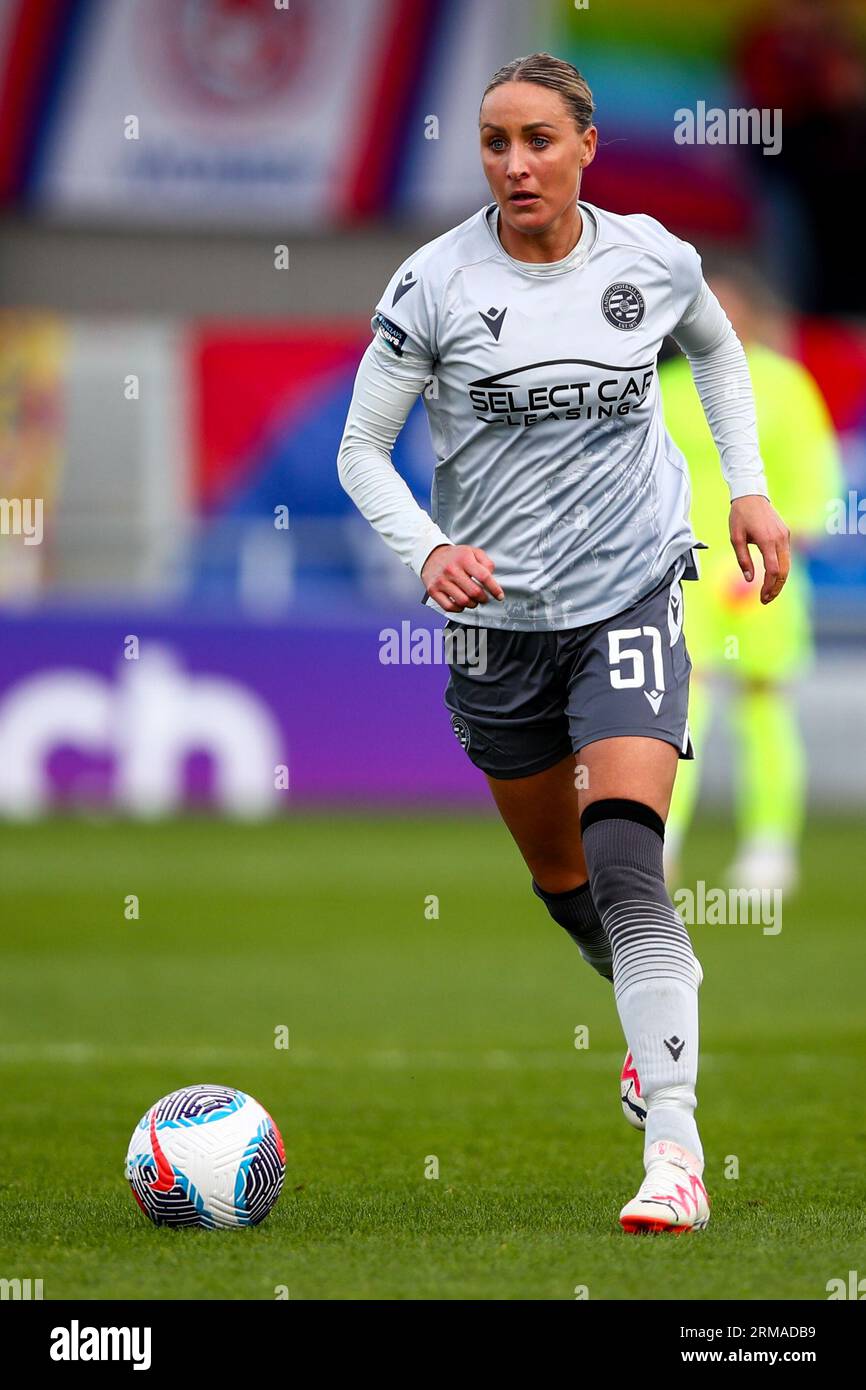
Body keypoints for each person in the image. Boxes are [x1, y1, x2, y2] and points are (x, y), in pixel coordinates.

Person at [337, 52, 790, 1234]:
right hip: (497, 632)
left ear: (584, 144)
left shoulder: (650, 258)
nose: (513, 163)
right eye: (493, 142)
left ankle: (674, 1146)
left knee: (626, 855)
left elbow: (717, 349)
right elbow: (358, 451)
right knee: (563, 882)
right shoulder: (431, 283)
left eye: (536, 138)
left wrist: (743, 489)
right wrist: (426, 549)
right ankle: (652, 1025)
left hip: (632, 595)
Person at [660, 265, 844, 892]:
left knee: (764, 709)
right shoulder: (670, 385)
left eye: (728, 307)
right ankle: (660, 846)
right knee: (679, 713)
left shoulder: (785, 386)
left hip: (765, 573)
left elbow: (815, 481)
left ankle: (769, 851)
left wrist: (777, 544)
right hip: (684, 575)